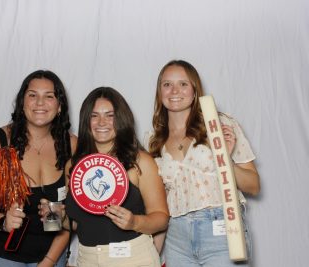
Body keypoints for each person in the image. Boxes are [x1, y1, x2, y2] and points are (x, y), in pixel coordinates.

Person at [145, 60, 260, 266]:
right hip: (176, 238)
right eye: (167, 84)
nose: (174, 91)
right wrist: (152, 256)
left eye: (183, 84)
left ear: (195, 89)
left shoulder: (219, 124)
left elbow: (253, 185)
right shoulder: (152, 140)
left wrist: (223, 157)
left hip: (222, 231)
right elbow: (161, 205)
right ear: (159, 91)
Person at [0, 70, 77, 267]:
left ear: (59, 106)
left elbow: (72, 216)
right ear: (22, 103)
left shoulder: (72, 146)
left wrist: (49, 262)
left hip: (49, 252)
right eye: (32, 95)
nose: (40, 102)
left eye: (49, 96)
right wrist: (2, 222)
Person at [64, 87, 169, 267]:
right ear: (86, 121)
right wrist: (59, 217)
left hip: (133, 259)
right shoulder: (74, 166)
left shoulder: (140, 161)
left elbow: (161, 218)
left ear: (121, 119)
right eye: (94, 115)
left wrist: (135, 222)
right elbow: (77, 224)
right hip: (86, 259)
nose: (101, 122)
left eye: (110, 115)